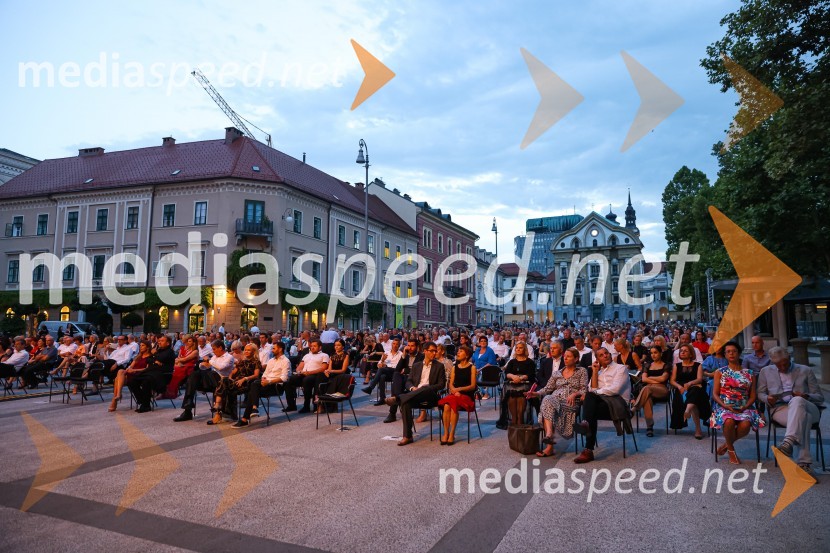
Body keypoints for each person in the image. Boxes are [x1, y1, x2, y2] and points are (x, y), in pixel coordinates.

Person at [757, 346, 824, 474]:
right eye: (778, 365)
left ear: (789, 358)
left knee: (797, 401)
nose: (782, 368)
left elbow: (820, 397)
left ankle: (788, 441)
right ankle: (804, 464)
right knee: (805, 418)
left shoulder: (805, 370)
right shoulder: (765, 371)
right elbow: (760, 393)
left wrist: (806, 396)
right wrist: (767, 398)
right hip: (780, 409)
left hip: (808, 406)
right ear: (772, 362)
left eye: (785, 364)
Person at [573, 348, 632, 463]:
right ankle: (588, 447)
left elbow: (615, 390)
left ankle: (587, 446)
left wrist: (595, 392)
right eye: (601, 355)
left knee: (590, 400)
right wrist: (595, 372)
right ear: (597, 359)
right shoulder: (599, 372)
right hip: (602, 405)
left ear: (610, 355)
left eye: (606, 353)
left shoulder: (621, 368)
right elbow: (592, 388)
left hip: (618, 405)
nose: (605, 356)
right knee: (591, 408)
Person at [710, 341, 765, 464]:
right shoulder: (720, 372)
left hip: (744, 406)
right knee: (728, 422)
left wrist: (745, 406)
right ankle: (731, 450)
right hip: (724, 406)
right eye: (728, 352)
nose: (731, 354)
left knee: (745, 425)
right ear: (725, 355)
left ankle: (726, 445)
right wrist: (724, 405)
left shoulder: (750, 373)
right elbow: (715, 394)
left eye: (734, 351)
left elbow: (753, 395)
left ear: (739, 353)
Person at [531, 347, 588, 457]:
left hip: (570, 402)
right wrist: (536, 393)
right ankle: (549, 437)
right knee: (547, 399)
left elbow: (584, 389)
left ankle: (549, 444)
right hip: (554, 400)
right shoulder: (557, 373)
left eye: (569, 356)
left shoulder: (582, 371)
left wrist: (575, 394)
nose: (565, 358)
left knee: (547, 402)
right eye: (564, 356)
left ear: (576, 359)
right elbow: (547, 388)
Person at [385, 343, 445, 446]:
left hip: (431, 395)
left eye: (435, 351)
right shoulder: (417, 365)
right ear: (425, 351)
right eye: (432, 351)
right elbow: (409, 381)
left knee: (424, 387)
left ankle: (398, 398)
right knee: (406, 403)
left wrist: (426, 388)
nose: (434, 353)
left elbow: (441, 384)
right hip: (416, 394)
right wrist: (413, 388)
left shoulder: (439, 366)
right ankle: (408, 436)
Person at [173, 339, 234, 422]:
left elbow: (221, 367)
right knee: (193, 376)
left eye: (214, 349)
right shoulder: (214, 357)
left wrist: (209, 361)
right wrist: (202, 364)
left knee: (211, 373)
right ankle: (187, 409)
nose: (213, 351)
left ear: (220, 348)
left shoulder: (229, 357)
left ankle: (188, 407)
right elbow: (206, 366)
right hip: (210, 381)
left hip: (222, 382)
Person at [235, 341, 291, 428]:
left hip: (276, 386)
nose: (272, 350)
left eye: (274, 348)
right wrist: (264, 380)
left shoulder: (286, 361)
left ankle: (249, 415)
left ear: (280, 349)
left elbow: (284, 378)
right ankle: (250, 412)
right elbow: (265, 374)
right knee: (254, 387)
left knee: (252, 389)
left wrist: (268, 382)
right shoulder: (271, 361)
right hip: (265, 384)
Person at [209, 343, 262, 425]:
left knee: (222, 386)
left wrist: (244, 379)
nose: (246, 351)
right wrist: (230, 378)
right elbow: (233, 371)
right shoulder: (242, 361)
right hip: (236, 381)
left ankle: (218, 407)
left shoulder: (256, 362)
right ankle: (219, 406)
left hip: (246, 383)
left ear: (253, 352)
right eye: (245, 350)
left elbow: (256, 375)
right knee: (223, 381)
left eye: (249, 350)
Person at [438, 345, 477, 445]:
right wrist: (454, 390)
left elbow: (472, 386)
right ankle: (446, 433)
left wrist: (459, 390)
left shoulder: (472, 367)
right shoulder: (455, 367)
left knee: (452, 405)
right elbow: (451, 383)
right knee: (446, 405)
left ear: (467, 355)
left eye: (461, 351)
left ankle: (452, 433)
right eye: (458, 351)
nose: (458, 353)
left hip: (467, 395)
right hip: (455, 394)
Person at [670, 344, 711, 438]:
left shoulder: (698, 365)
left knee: (695, 391)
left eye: (685, 351)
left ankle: (687, 410)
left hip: (695, 386)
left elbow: (699, 379)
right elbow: (672, 380)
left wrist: (690, 383)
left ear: (691, 354)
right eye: (681, 351)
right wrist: (679, 387)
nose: (682, 352)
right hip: (681, 388)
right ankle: (698, 429)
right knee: (693, 400)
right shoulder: (677, 366)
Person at [128, 335, 176, 413]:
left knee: (146, 381)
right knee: (132, 381)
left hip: (163, 375)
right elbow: (148, 360)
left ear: (168, 343)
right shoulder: (159, 351)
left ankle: (146, 405)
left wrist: (155, 355)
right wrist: (155, 360)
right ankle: (143, 401)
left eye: (162, 341)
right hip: (153, 373)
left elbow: (161, 358)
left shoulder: (170, 352)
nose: (159, 342)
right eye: (159, 341)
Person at [632, 346, 670, 437]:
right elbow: (644, 379)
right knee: (647, 398)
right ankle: (649, 427)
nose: (653, 355)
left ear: (661, 353)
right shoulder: (648, 365)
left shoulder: (666, 365)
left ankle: (635, 408)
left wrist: (651, 378)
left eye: (655, 352)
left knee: (646, 389)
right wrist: (657, 380)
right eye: (651, 353)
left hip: (662, 390)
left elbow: (663, 378)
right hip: (648, 390)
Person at [284, 339, 330, 413]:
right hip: (303, 374)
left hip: (315, 375)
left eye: (315, 346)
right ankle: (291, 405)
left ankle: (306, 405)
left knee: (307, 380)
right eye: (311, 346)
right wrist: (298, 371)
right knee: (289, 380)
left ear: (320, 347)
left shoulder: (324, 355)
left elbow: (323, 368)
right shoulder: (306, 355)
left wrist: (309, 372)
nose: (312, 348)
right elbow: (300, 366)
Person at [383, 339, 422, 423]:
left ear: (417, 347)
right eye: (409, 345)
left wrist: (407, 370)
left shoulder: (421, 357)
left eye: (412, 346)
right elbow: (397, 369)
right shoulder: (406, 355)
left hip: (414, 380)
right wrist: (403, 355)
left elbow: (419, 371)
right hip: (403, 378)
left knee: (396, 386)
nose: (410, 348)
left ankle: (392, 413)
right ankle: (397, 399)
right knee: (396, 375)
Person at [109, 340, 152, 412]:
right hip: (131, 373)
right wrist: (128, 369)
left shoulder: (150, 357)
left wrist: (134, 370)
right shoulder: (138, 357)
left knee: (117, 379)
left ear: (147, 347)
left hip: (139, 375)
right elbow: (131, 366)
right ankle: (118, 394)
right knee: (120, 371)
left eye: (143, 345)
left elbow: (147, 369)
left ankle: (115, 399)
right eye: (140, 345)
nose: (140, 347)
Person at [502, 342, 536, 427]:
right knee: (511, 394)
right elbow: (507, 373)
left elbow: (531, 374)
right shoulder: (512, 361)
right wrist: (513, 376)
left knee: (521, 394)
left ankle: (520, 420)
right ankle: (514, 420)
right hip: (512, 385)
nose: (518, 349)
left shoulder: (530, 362)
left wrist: (520, 378)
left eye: (520, 347)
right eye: (516, 347)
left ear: (525, 349)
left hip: (525, 384)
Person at [361, 337, 402, 403]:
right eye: (393, 344)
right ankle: (382, 398)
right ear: (392, 344)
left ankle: (371, 387)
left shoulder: (401, 354)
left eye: (397, 344)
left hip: (395, 372)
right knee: (382, 376)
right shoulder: (387, 353)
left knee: (382, 370)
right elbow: (379, 364)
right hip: (386, 372)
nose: (395, 345)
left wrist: (384, 366)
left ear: (399, 346)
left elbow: (400, 367)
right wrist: (382, 360)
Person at [161, 335, 198, 399]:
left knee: (176, 371)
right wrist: (178, 361)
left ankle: (171, 393)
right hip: (180, 365)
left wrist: (178, 361)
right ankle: (165, 392)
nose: (188, 342)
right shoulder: (182, 348)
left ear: (194, 343)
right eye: (187, 341)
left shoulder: (195, 351)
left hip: (189, 367)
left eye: (190, 341)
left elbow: (185, 359)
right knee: (172, 371)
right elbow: (178, 357)